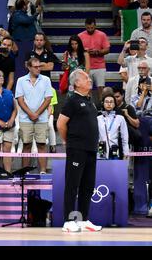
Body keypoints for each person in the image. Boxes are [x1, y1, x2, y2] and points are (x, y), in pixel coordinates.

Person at [57, 69, 102, 233]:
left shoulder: (90, 100)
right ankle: (68, 221)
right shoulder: (72, 101)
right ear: (76, 83)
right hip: (77, 149)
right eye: (86, 78)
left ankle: (83, 220)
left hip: (91, 149)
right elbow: (61, 124)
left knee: (88, 186)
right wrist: (69, 141)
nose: (90, 80)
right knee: (72, 185)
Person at [15, 57, 53, 174]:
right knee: (26, 145)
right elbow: (20, 100)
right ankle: (25, 172)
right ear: (29, 67)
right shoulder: (21, 80)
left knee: (42, 144)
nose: (38, 69)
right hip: (25, 119)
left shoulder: (46, 80)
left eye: (39, 67)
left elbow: (48, 99)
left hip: (41, 119)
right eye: (35, 67)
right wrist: (31, 114)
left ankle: (42, 171)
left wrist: (36, 114)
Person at [97, 94, 129, 159]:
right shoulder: (98, 118)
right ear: (103, 104)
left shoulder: (120, 118)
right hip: (101, 149)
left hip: (115, 149)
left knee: (114, 168)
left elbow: (124, 137)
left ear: (114, 104)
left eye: (111, 102)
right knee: (101, 168)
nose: (109, 104)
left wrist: (126, 152)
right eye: (106, 102)